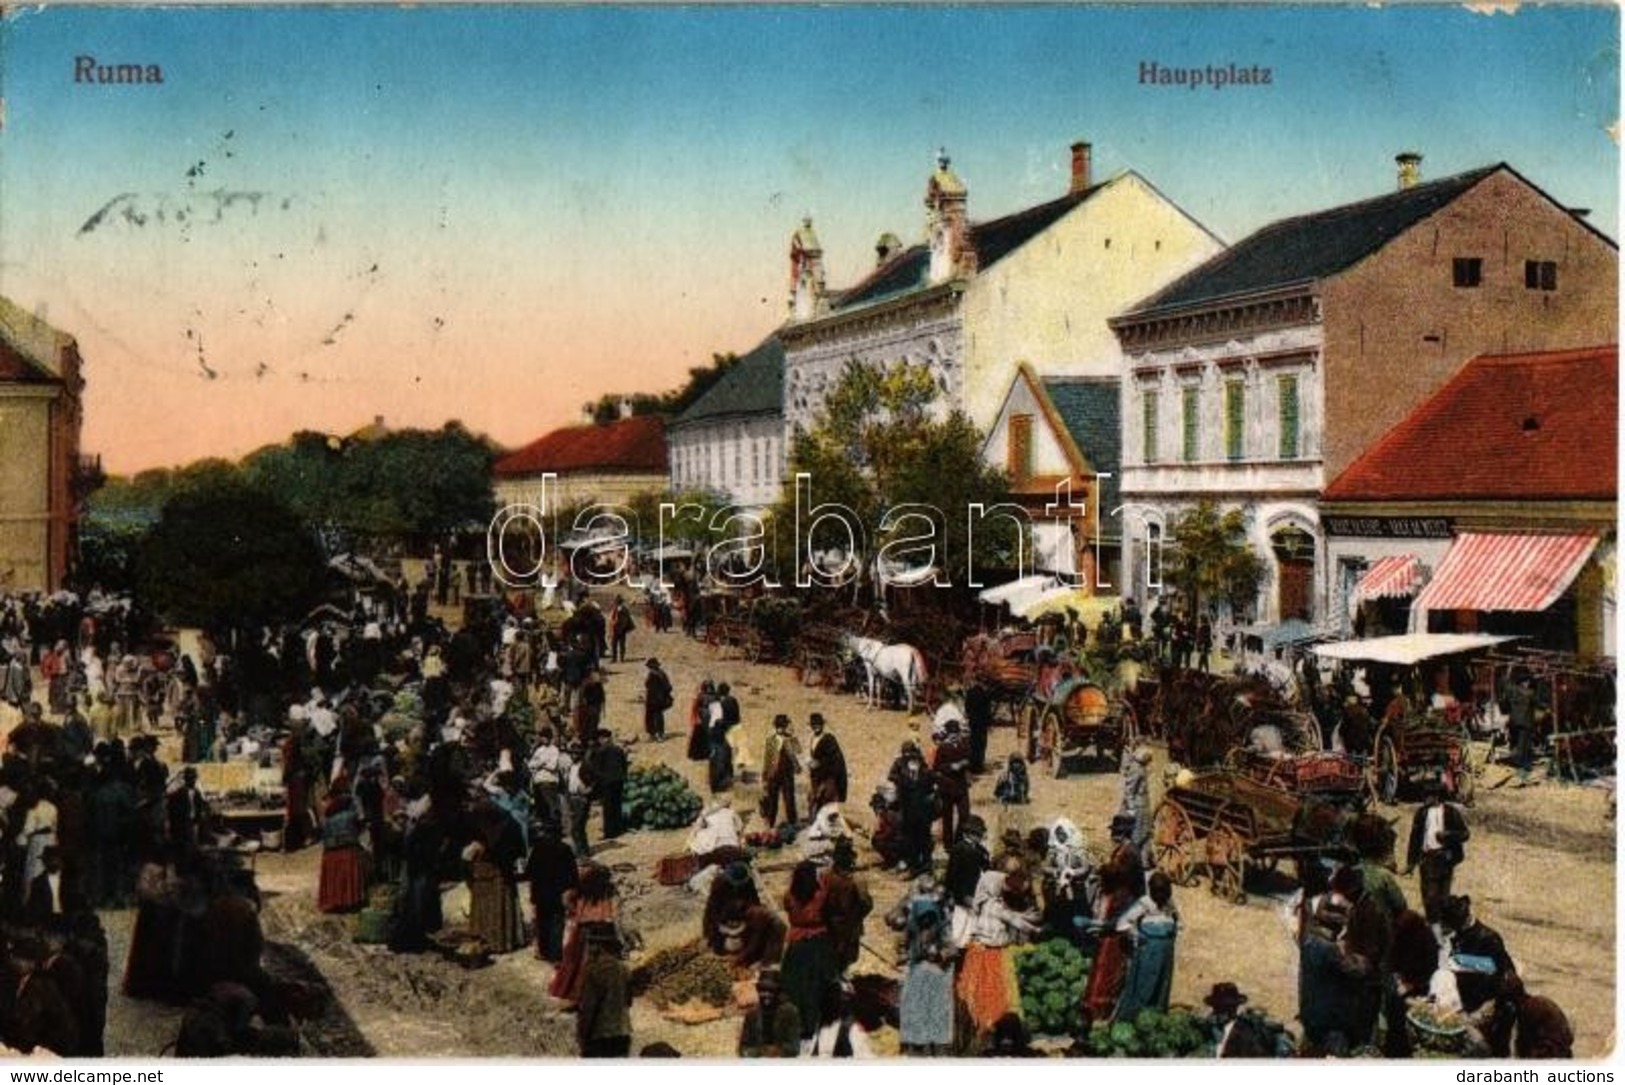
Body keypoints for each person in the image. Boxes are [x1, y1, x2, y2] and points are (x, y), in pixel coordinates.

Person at [1440, 894, 1518, 1056]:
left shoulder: (1488, 940)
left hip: (1490, 1009)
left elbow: (1499, 980)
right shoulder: (1461, 935)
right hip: (1470, 1005)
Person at [887, 874, 955, 1055]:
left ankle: (936, 1049)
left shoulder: (943, 922)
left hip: (937, 971)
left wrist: (940, 955)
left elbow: (951, 947)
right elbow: (895, 926)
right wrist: (903, 955)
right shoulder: (913, 920)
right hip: (917, 969)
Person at [780, 861, 837, 1042]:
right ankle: (814, 1024)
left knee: (796, 987)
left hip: (797, 944)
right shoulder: (820, 894)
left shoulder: (789, 895)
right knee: (815, 987)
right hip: (819, 943)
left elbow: (789, 912)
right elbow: (828, 911)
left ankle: (797, 1025)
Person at [1114, 870, 1180, 1023]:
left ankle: (1157, 1015)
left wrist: (1173, 933)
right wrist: (1137, 935)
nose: (1163, 897)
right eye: (1160, 893)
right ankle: (1136, 1017)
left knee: (1162, 983)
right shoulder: (1144, 903)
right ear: (1152, 891)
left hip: (1166, 951)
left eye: (1166, 892)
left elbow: (1177, 920)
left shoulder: (1169, 902)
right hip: (1148, 949)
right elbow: (1122, 923)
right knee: (1145, 982)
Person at [1403, 779, 1469, 923]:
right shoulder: (1421, 813)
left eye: (1428, 796)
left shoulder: (1451, 812)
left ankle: (1442, 928)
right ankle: (1434, 927)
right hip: (1427, 860)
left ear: (1437, 796)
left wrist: (1447, 835)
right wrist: (1411, 863)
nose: (1425, 799)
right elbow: (1414, 838)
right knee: (1429, 897)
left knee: (1443, 896)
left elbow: (1464, 834)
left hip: (1445, 859)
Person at [552, 862, 617, 1006]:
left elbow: (566, 898)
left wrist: (573, 912)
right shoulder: (608, 889)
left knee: (577, 963)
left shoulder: (580, 889)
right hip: (602, 929)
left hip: (584, 929)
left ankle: (579, 996)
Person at [575, 923, 632, 1058]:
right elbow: (629, 1001)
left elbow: (588, 1008)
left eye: (591, 944)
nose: (589, 948)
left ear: (598, 946)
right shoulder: (624, 969)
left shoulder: (593, 970)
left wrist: (582, 1035)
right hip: (622, 1033)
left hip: (599, 1036)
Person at [526, 820, 579, 963]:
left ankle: (544, 951)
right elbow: (573, 873)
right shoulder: (565, 849)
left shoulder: (538, 848)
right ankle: (556, 955)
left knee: (543, 922)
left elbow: (529, 871)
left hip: (541, 892)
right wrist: (572, 889)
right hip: (558, 892)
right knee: (557, 923)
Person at [820, 837, 872, 972]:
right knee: (845, 958)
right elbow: (866, 905)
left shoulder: (825, 876)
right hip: (848, 927)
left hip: (830, 925)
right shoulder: (856, 882)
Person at [316, 793, 367, 914]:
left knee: (336, 878)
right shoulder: (350, 815)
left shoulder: (327, 821)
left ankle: (336, 902)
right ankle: (349, 902)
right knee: (347, 877)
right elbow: (361, 824)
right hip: (347, 850)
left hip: (330, 853)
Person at [801, 980, 874, 1058]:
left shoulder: (853, 1028)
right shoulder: (821, 1025)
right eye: (830, 995)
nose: (832, 1000)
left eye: (843, 997)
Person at [738, 968, 802, 1057]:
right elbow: (743, 1049)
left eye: (770, 991)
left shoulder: (790, 1012)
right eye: (762, 991)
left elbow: (794, 1047)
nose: (766, 995)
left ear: (777, 992)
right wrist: (760, 1052)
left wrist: (776, 1052)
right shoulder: (752, 1014)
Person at [932, 718, 972, 849]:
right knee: (947, 817)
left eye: (956, 733)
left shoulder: (964, 744)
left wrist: (963, 763)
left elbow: (970, 759)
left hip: (961, 786)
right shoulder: (942, 747)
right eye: (952, 734)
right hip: (947, 786)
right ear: (948, 734)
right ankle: (948, 845)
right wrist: (950, 767)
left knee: (964, 815)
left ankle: (959, 839)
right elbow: (937, 767)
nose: (955, 736)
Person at [760, 715, 802, 828]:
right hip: (774, 774)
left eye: (783, 726)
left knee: (789, 799)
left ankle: (791, 822)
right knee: (773, 800)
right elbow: (767, 759)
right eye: (781, 726)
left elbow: (799, 750)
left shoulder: (789, 738)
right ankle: (771, 823)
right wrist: (764, 777)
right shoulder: (771, 740)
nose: (782, 729)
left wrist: (793, 736)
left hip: (786, 773)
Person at [587, 729, 629, 840]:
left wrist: (599, 780)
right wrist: (623, 776)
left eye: (600, 738)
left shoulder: (601, 751)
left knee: (608, 807)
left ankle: (610, 832)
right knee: (617, 805)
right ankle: (618, 829)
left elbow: (595, 768)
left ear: (603, 738)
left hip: (607, 782)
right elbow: (625, 765)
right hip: (619, 781)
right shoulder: (618, 749)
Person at [806, 713, 847, 808]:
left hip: (828, 777)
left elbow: (835, 759)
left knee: (827, 803)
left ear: (822, 725)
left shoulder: (829, 739)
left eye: (818, 724)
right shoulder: (812, 738)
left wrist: (819, 764)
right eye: (814, 725)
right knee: (814, 801)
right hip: (816, 777)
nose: (816, 727)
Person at [643, 659, 672, 741]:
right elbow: (668, 687)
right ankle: (657, 734)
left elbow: (647, 685)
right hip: (657, 699)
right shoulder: (661, 674)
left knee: (653, 717)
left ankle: (655, 734)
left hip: (654, 699)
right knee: (656, 717)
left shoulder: (655, 674)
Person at [609, 598, 634, 664]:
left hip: (618, 629)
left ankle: (616, 658)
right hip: (621, 629)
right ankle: (620, 658)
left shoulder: (619, 609)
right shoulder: (623, 609)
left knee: (615, 644)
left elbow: (614, 619)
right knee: (620, 644)